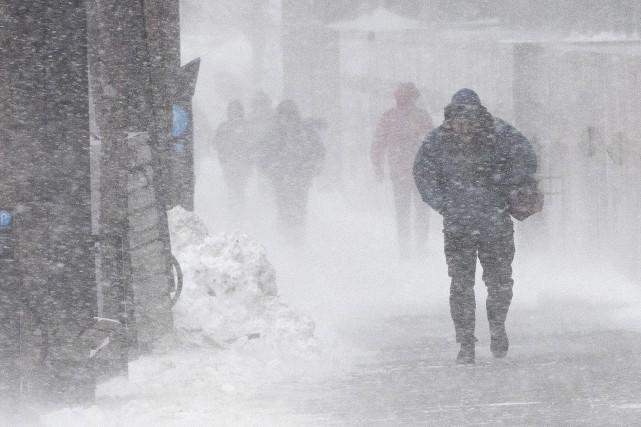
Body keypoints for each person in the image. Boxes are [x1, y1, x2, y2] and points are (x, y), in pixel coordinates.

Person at [413, 88, 539, 364]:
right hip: (462, 224)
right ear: (451, 118)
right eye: (459, 121)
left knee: (499, 283)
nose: (464, 127)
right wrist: (443, 204)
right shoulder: (440, 140)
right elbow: (423, 174)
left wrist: (505, 187)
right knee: (462, 284)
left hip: (492, 222)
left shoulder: (499, 134)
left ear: (479, 117)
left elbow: (527, 159)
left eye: (469, 120)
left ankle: (496, 327)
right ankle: (466, 342)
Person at [371, 82, 434, 258]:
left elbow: (378, 143)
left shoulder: (389, 116)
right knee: (421, 211)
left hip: (399, 172)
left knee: (402, 211)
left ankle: (404, 248)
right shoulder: (422, 116)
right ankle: (420, 246)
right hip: (422, 172)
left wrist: (378, 166)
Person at [259, 100, 325, 244]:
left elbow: (263, 156)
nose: (287, 119)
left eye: (289, 115)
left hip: (291, 180)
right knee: (293, 210)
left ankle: (291, 240)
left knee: (290, 209)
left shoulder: (278, 132)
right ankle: (292, 240)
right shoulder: (304, 131)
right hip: (293, 180)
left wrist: (273, 170)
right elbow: (318, 153)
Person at [212, 100, 253, 222]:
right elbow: (216, 143)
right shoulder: (244, 126)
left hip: (235, 163)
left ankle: (236, 210)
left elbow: (216, 142)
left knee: (237, 187)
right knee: (236, 187)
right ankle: (237, 210)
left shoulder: (226, 126)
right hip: (234, 163)